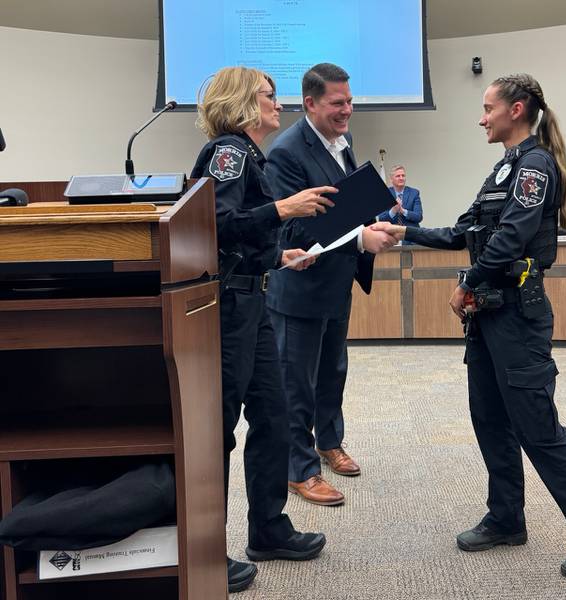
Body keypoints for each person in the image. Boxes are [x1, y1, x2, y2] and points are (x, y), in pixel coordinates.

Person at [371, 73, 566, 580]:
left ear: (517, 109)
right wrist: (406, 231)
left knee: (538, 427)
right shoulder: (503, 169)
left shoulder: (535, 167)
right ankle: (507, 517)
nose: (481, 117)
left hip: (517, 315)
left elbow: (509, 240)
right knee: (489, 417)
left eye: (488, 108)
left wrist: (465, 281)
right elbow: (467, 229)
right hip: (488, 316)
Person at [191, 66, 334, 593]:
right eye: (271, 97)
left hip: (253, 302)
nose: (280, 105)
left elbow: (241, 235)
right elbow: (213, 224)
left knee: (273, 417)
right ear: (244, 103)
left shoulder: (248, 156)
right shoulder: (228, 152)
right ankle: (205, 551)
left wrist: (278, 253)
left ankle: (268, 528)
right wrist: (283, 208)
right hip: (228, 310)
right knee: (220, 429)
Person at [264, 63, 397, 507]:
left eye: (350, 101)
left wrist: (371, 218)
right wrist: (361, 237)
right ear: (310, 104)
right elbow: (294, 233)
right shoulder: (285, 153)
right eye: (338, 103)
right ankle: (298, 468)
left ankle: (328, 443)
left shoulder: (345, 141)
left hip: (337, 282)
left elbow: (346, 203)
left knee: (332, 372)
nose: (348, 111)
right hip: (300, 289)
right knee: (295, 382)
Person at [377, 164, 423, 244]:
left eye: (403, 175)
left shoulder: (414, 193)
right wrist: (393, 210)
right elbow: (381, 219)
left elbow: (419, 217)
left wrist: (403, 211)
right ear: (391, 179)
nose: (401, 178)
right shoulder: (385, 193)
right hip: (391, 238)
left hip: (411, 239)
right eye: (398, 176)